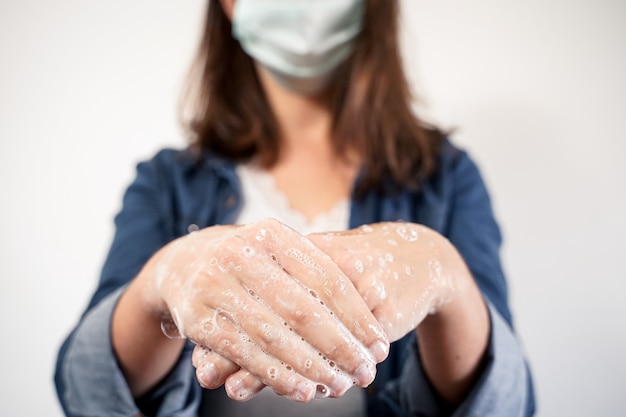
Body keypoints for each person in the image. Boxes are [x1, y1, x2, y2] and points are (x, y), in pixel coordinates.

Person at [54, 0, 535, 416]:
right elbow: (84, 390)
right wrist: (160, 282)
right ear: (229, 3)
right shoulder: (166, 182)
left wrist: (442, 272)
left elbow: (510, 403)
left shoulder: (447, 179)